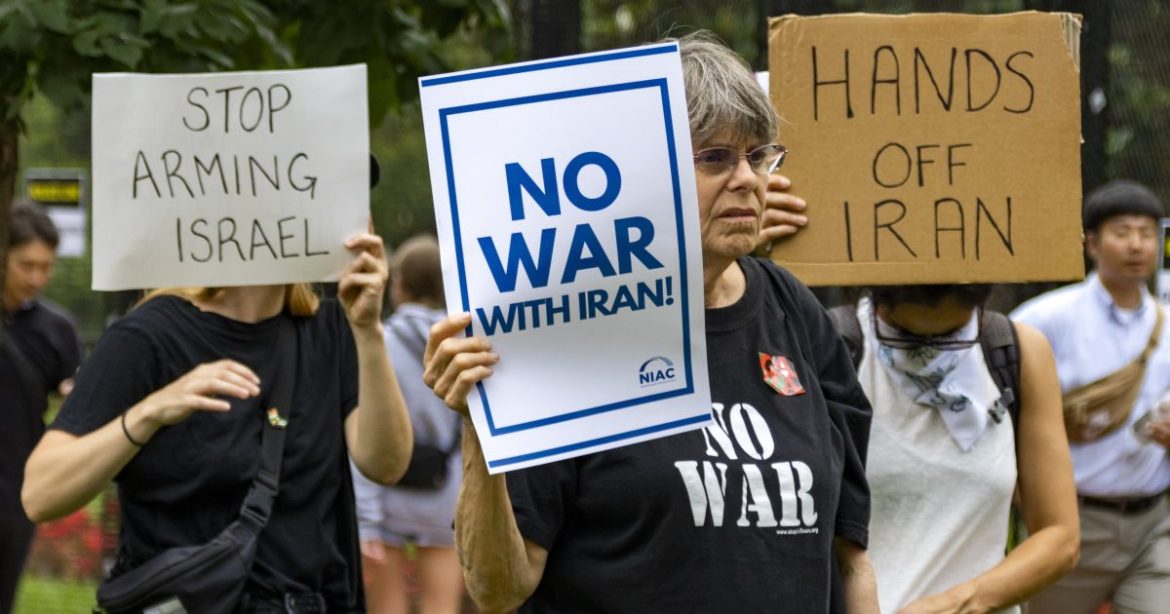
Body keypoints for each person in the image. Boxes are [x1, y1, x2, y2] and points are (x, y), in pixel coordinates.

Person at [423, 32, 879, 613]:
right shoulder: (570, 326)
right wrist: (479, 429)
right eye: (715, 157)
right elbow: (498, 588)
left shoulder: (795, 311)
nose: (747, 178)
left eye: (758, 155)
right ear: (643, 171)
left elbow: (851, 559)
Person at [21, 230, 413, 611]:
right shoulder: (146, 337)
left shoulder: (332, 330)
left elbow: (386, 464)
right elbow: (41, 493)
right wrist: (148, 413)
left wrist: (369, 331)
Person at [835, 285, 1078, 613]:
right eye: (907, 335)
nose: (931, 348)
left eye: (952, 335)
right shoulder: (832, 346)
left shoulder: (1015, 350)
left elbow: (1060, 537)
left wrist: (958, 603)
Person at [1013, 180, 1170, 614]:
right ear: (1092, 244)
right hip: (1069, 525)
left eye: (1146, 233)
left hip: (1153, 526)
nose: (1136, 244)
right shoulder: (1044, 319)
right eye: (1122, 232)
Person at [352, 234, 464, 614]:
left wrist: (366, 522)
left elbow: (364, 436)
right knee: (442, 608)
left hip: (387, 500)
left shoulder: (377, 343)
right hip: (447, 505)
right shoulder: (465, 344)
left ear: (397, 284)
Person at [0, 202, 83, 614]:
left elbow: (75, 399)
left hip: (16, 490)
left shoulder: (57, 329)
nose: (36, 278)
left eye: (45, 267)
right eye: (26, 265)